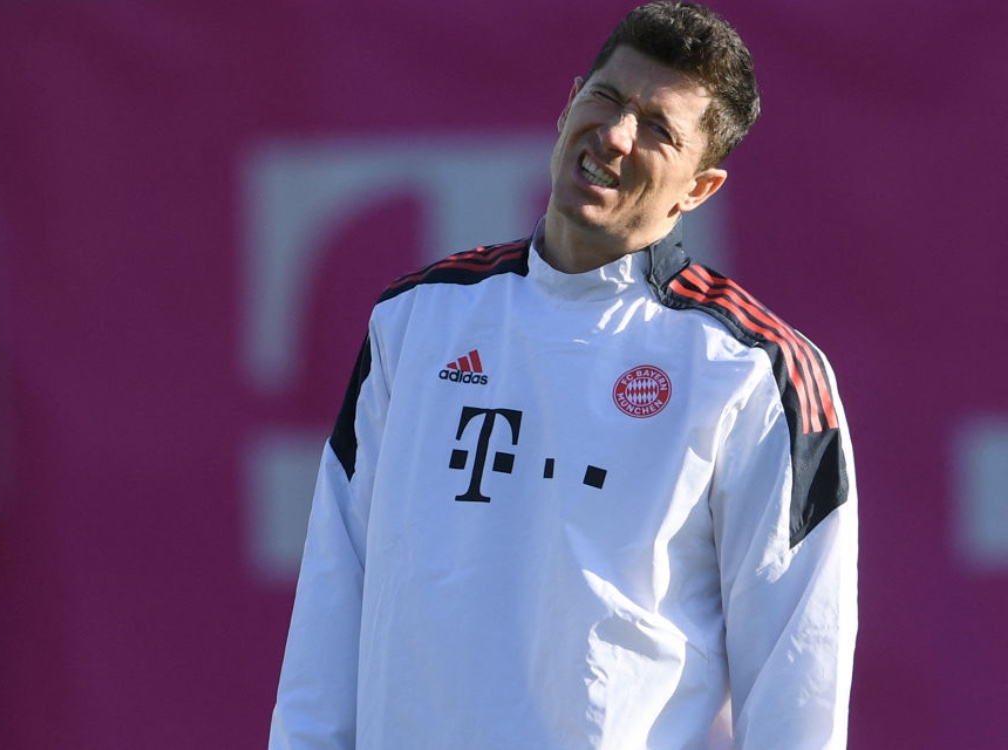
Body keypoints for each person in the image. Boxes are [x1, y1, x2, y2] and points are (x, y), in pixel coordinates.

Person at [269, 2, 858, 748]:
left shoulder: (754, 371)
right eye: (607, 98)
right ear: (569, 103)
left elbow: (798, 675)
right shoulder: (418, 320)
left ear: (700, 188)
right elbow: (334, 590)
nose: (615, 135)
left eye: (658, 128)